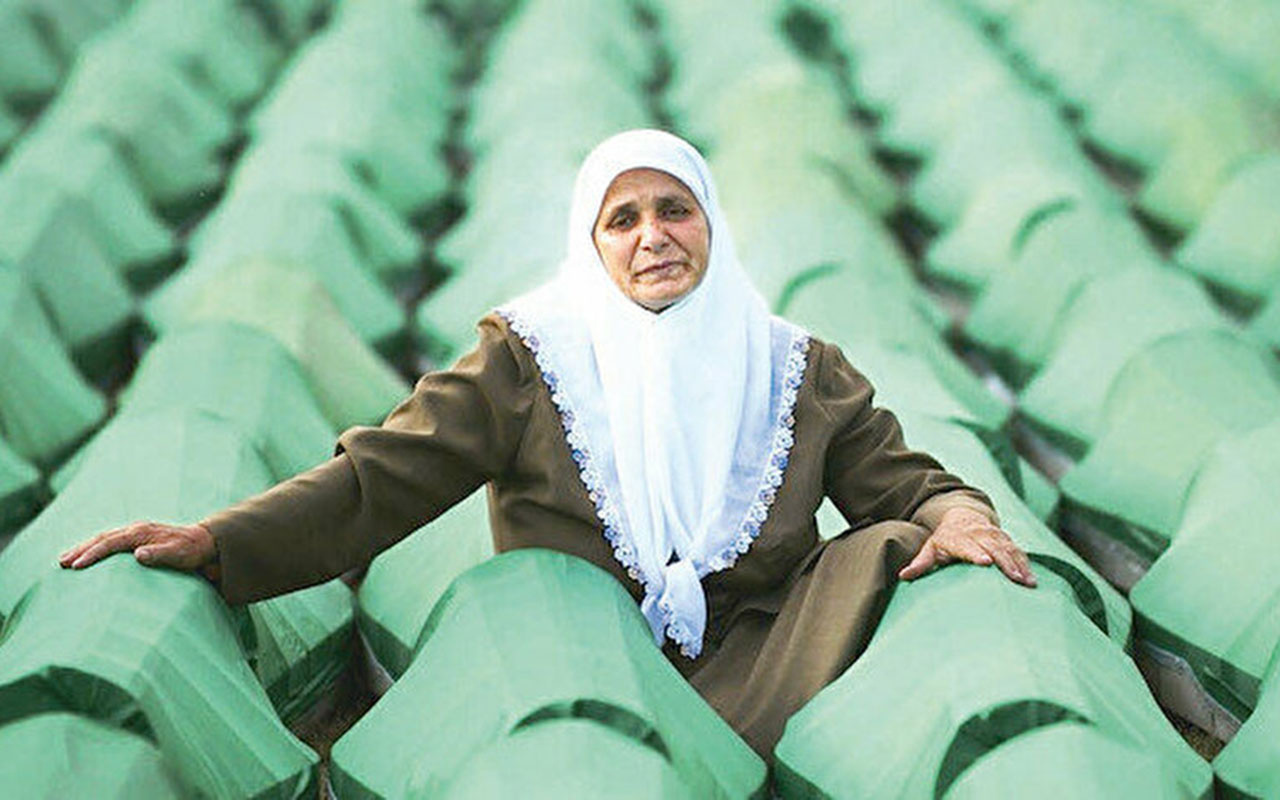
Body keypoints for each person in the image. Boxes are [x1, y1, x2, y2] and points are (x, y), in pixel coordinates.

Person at [60, 129, 1035, 756]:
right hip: (582, 654)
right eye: (622, 218)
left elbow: (906, 484)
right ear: (592, 242)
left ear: (711, 226)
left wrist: (961, 517)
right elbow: (381, 479)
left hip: (765, 653)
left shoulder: (794, 367)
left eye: (673, 209)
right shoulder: (531, 359)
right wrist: (219, 542)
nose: (651, 235)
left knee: (898, 547)